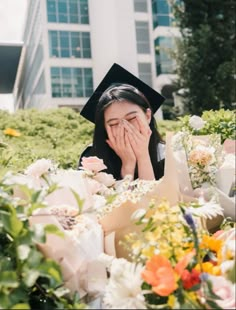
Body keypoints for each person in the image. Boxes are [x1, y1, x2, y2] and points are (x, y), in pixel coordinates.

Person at [79, 63, 166, 181]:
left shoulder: (167, 155)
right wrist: (128, 165)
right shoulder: (92, 159)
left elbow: (154, 199)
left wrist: (142, 156)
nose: (125, 128)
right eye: (114, 124)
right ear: (104, 128)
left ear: (148, 116)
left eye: (131, 118)